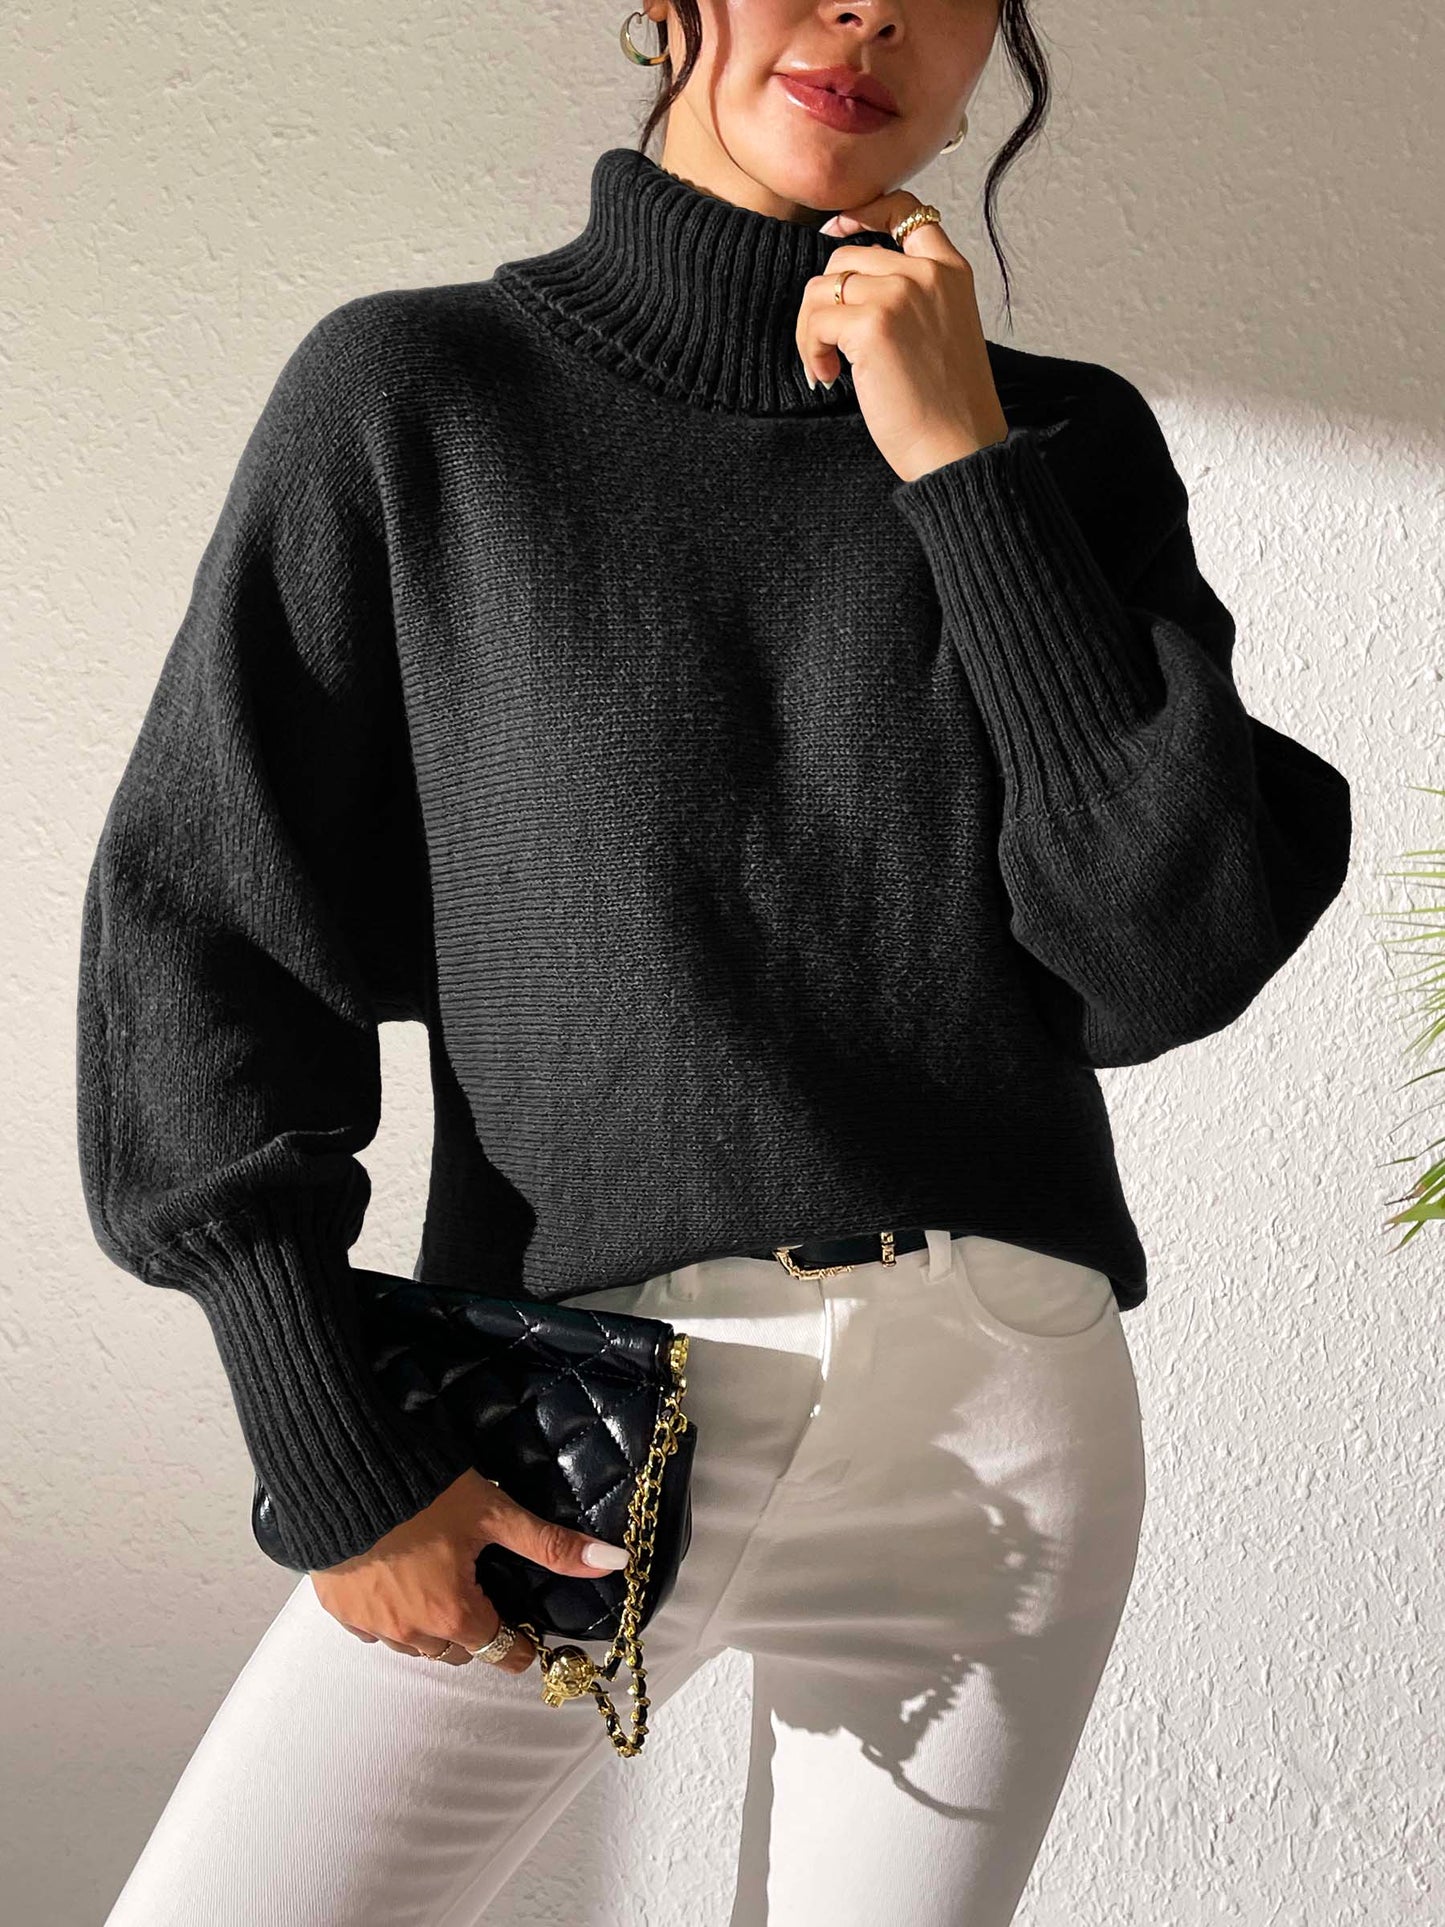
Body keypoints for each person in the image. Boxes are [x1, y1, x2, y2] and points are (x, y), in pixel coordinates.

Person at [76, 3, 1352, 1922]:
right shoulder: (418, 398)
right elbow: (201, 926)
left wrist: (960, 465)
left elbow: (1159, 956)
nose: (870, 14)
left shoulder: (1061, 441)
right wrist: (330, 1438)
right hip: (576, 1406)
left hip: (998, 1413)